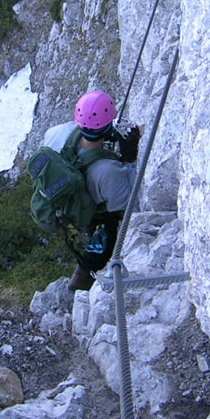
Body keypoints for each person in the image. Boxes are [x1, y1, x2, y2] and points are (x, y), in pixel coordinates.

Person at [43, 90, 140, 291]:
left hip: (59, 202)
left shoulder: (55, 133)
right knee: (107, 234)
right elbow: (126, 204)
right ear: (109, 126)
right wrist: (128, 160)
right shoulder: (108, 170)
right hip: (89, 215)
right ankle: (83, 280)